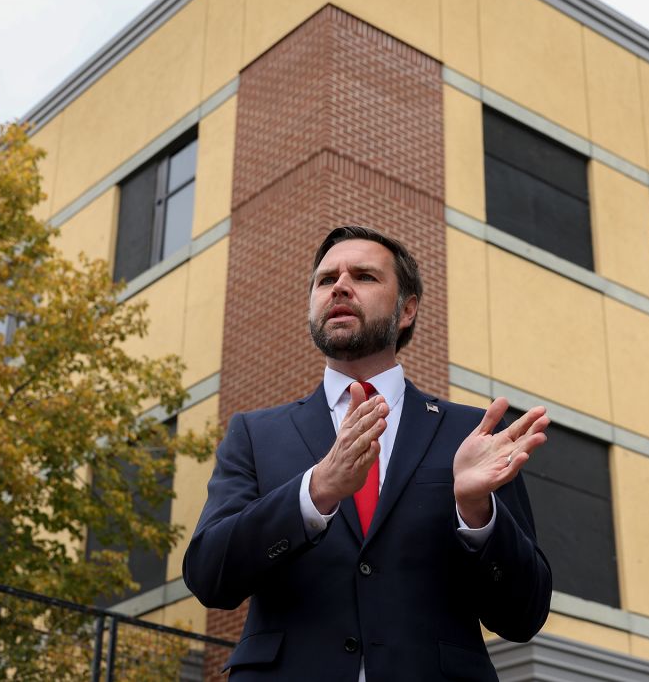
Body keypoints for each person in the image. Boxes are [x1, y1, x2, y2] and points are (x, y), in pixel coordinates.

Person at [183, 225, 552, 681]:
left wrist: (477, 513)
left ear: (407, 310)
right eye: (325, 279)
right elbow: (209, 576)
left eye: (364, 276)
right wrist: (314, 494)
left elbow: (524, 616)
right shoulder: (255, 434)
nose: (339, 286)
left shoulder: (473, 434)